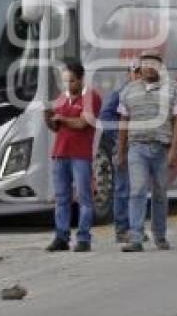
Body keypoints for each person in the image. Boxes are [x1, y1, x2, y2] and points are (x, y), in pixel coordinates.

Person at [118, 50, 177, 252]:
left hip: (162, 149)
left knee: (159, 193)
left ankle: (160, 235)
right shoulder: (129, 90)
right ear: (140, 66)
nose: (149, 67)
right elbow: (123, 121)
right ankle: (136, 237)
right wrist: (120, 151)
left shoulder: (174, 89)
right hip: (136, 148)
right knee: (137, 190)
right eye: (145, 63)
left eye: (153, 63)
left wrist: (174, 150)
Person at [44, 60, 102, 252]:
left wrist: (62, 119)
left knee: (84, 197)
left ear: (81, 78)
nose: (68, 86)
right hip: (60, 153)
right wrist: (48, 118)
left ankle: (84, 238)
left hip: (80, 154)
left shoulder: (91, 97)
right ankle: (61, 237)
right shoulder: (62, 98)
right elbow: (55, 127)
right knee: (61, 197)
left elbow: (83, 124)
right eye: (65, 82)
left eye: (72, 82)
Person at [98, 61, 141, 243]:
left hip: (138, 147)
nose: (139, 75)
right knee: (122, 188)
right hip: (122, 147)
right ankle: (122, 229)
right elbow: (105, 116)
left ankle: (134, 227)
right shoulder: (121, 93)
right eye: (135, 71)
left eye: (140, 71)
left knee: (137, 189)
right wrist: (119, 136)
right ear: (129, 74)